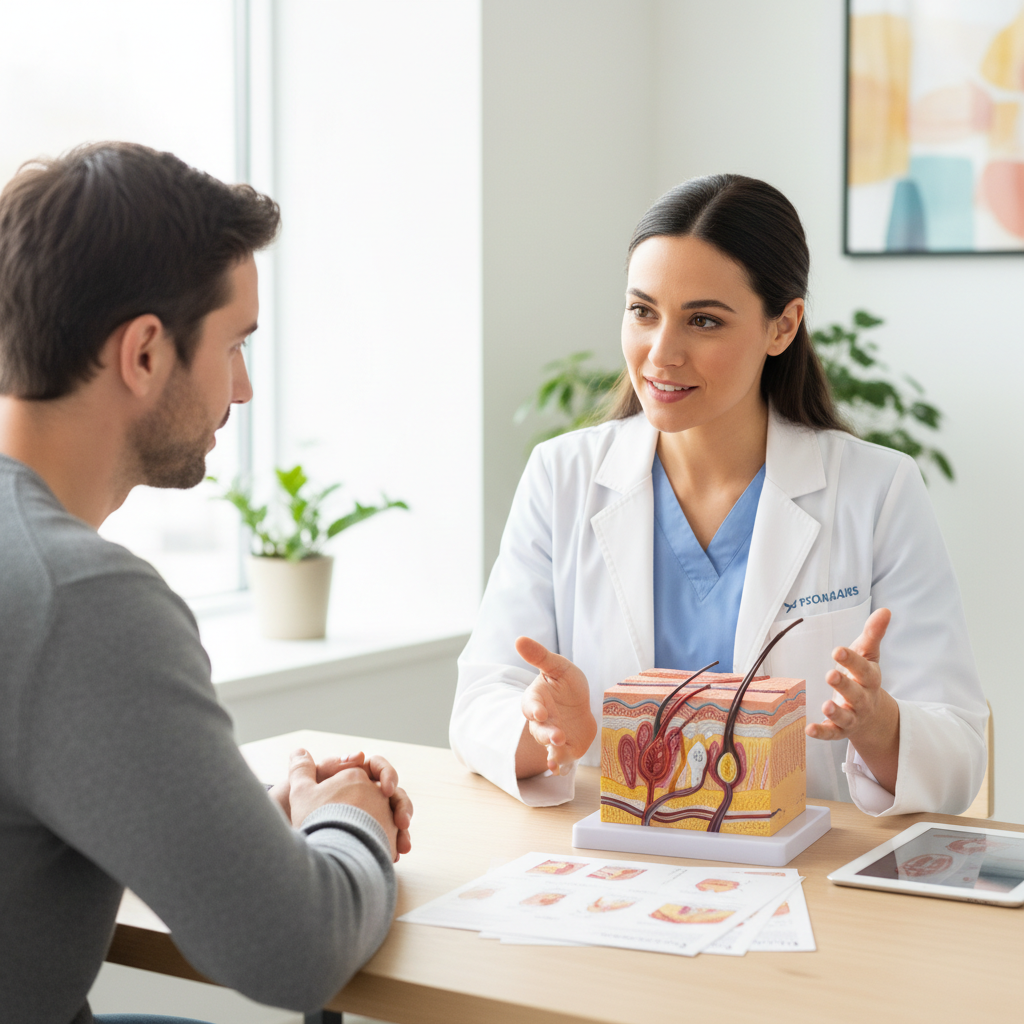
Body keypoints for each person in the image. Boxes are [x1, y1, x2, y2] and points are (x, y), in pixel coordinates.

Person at [0, 142, 412, 1024]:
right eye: (234, 346)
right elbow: (296, 948)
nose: (245, 388)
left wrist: (242, 835)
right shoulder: (79, 601)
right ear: (145, 353)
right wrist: (350, 818)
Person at [450, 174, 988, 817]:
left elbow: (957, 754)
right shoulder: (561, 477)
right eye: (642, 311)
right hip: (619, 870)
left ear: (783, 326)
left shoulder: (878, 491)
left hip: (802, 876)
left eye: (703, 320)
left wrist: (878, 725)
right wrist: (545, 731)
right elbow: (480, 704)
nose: (661, 352)